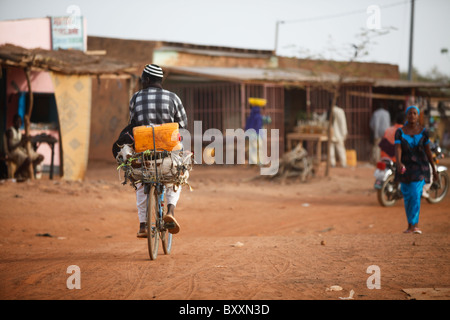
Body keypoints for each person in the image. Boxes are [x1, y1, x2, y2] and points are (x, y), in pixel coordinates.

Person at [128, 64, 188, 238]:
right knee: (177, 175)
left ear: (146, 80)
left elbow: (132, 124)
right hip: (167, 151)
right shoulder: (173, 97)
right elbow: (182, 125)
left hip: (144, 151)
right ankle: (170, 210)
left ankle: (143, 225)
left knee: (140, 183)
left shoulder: (135, 98)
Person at [394, 106, 438, 234]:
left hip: (420, 167)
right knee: (407, 196)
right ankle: (410, 226)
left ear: (418, 116)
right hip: (405, 167)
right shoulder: (400, 132)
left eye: (414, 113)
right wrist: (399, 162)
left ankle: (415, 225)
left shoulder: (423, 132)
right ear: (406, 116)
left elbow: (428, 151)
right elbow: (398, 148)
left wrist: (434, 169)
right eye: (410, 113)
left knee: (415, 193)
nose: (412, 115)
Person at [6, 114, 44, 179]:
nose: (19, 123)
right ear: (13, 122)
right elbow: (10, 148)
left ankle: (24, 173)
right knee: (28, 159)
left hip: (19, 150)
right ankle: (17, 173)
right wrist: (21, 142)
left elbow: (22, 142)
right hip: (12, 152)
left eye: (20, 122)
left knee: (39, 157)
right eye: (17, 121)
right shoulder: (10, 132)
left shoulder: (19, 132)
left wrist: (27, 140)